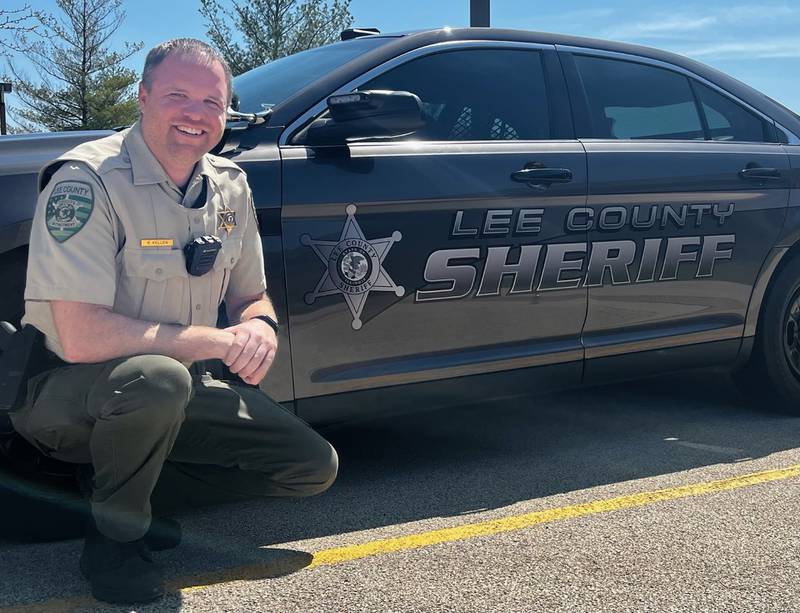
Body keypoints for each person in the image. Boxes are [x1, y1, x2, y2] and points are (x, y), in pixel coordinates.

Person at [9, 38, 338, 605]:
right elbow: (83, 335)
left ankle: (113, 495)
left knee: (310, 467)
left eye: (213, 102)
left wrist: (259, 327)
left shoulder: (229, 186)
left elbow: (251, 296)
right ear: (141, 97)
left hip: (174, 388)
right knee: (159, 379)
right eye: (178, 95)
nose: (196, 114)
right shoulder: (87, 181)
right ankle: (115, 544)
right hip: (64, 390)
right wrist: (217, 340)